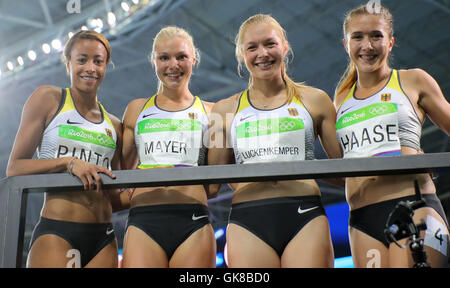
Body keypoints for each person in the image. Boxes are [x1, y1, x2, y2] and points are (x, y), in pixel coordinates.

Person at [207, 14, 342, 268]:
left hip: (305, 213)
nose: (263, 53)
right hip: (248, 218)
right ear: (241, 54)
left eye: (270, 43)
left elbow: (345, 171)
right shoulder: (222, 111)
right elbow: (212, 182)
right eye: (252, 47)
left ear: (285, 46)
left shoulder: (316, 100)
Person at [334, 3, 450, 268]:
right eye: (358, 37)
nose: (367, 45)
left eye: (376, 35)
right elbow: (338, 165)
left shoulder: (414, 80)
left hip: (412, 205)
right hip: (361, 219)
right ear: (345, 43)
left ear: (391, 42)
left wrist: (425, 162)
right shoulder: (341, 99)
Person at [6, 30, 125, 268]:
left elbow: (117, 196)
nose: (90, 68)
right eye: (82, 60)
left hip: (104, 235)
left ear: (105, 66)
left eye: (98, 62)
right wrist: (68, 162)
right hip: (58, 231)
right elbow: (15, 168)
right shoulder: (48, 99)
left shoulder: (114, 125)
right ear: (68, 63)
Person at [121, 26, 216, 268]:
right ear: (154, 61)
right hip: (144, 219)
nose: (173, 65)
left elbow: (214, 186)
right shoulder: (136, 110)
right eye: (164, 57)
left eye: (181, 57)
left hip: (193, 218)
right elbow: (122, 172)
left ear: (193, 59)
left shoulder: (211, 112)